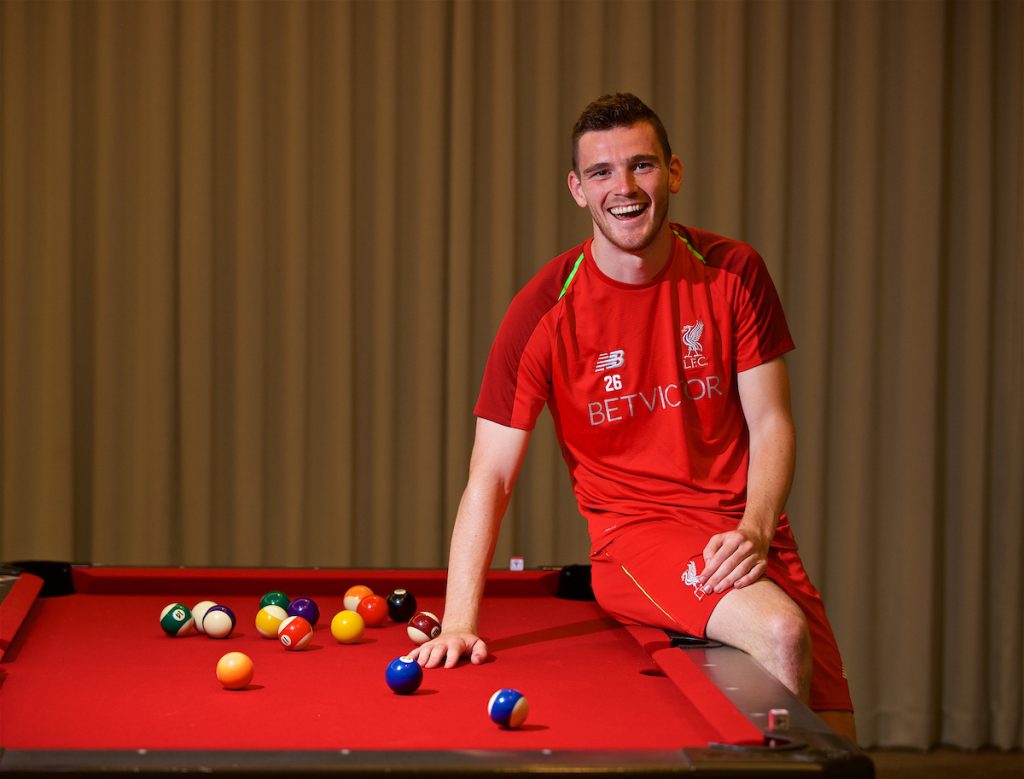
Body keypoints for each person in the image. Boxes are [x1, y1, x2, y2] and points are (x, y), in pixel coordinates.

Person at [408, 93, 856, 741]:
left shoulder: (734, 271)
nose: (624, 188)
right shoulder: (542, 310)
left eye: (641, 166)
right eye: (601, 172)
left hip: (749, 538)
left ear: (673, 172)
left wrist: (756, 528)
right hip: (639, 537)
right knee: (781, 632)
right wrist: (457, 621)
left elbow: (772, 423)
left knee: (841, 747)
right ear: (577, 188)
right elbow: (491, 476)